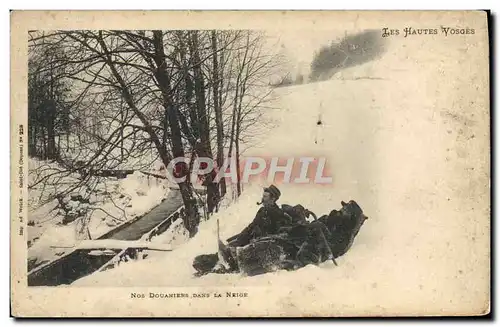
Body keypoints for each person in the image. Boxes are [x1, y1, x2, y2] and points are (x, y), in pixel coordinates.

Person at [226, 185, 292, 247]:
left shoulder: (274, 212)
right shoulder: (266, 210)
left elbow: (254, 226)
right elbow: (252, 226)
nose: (262, 199)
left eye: (265, 197)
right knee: (231, 242)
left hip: (264, 243)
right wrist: (241, 237)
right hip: (257, 239)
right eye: (263, 196)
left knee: (234, 246)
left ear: (273, 199)